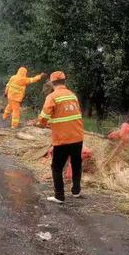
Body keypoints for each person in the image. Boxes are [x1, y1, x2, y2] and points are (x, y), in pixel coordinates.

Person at [38, 71, 84, 204]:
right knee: (76, 164)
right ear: (65, 81)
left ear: (52, 83)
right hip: (77, 137)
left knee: (56, 167)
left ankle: (59, 196)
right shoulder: (73, 96)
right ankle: (76, 191)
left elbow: (43, 118)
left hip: (62, 139)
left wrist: (41, 123)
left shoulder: (52, 97)